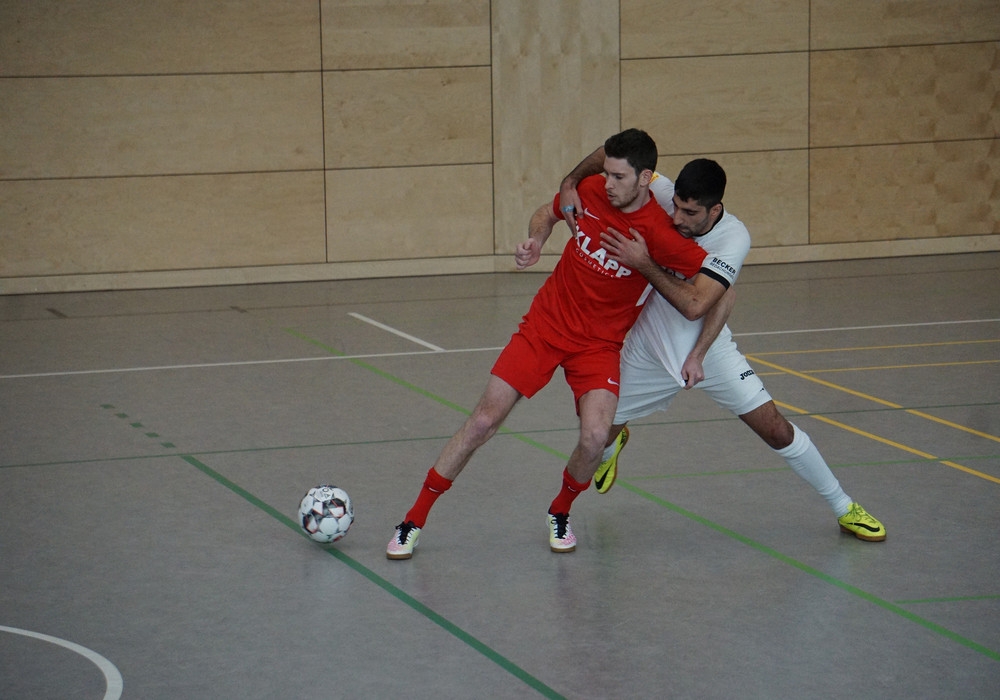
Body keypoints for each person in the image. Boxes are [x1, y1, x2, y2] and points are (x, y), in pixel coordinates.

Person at [386, 129, 729, 559]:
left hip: (599, 346)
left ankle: (560, 511)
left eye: (619, 177)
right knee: (481, 423)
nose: (608, 183)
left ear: (645, 179)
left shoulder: (660, 235)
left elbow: (722, 291)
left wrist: (697, 352)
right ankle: (412, 520)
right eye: (606, 173)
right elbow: (544, 214)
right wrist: (536, 240)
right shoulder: (589, 191)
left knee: (596, 437)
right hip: (545, 326)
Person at [559, 148, 886, 541]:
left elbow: (702, 303)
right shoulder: (660, 190)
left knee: (776, 429)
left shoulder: (733, 237)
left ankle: (844, 506)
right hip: (648, 346)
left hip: (709, 350)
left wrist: (694, 349)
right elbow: (611, 152)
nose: (677, 218)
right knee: (596, 436)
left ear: (714, 210)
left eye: (690, 213)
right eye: (676, 206)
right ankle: (611, 451)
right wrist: (569, 182)